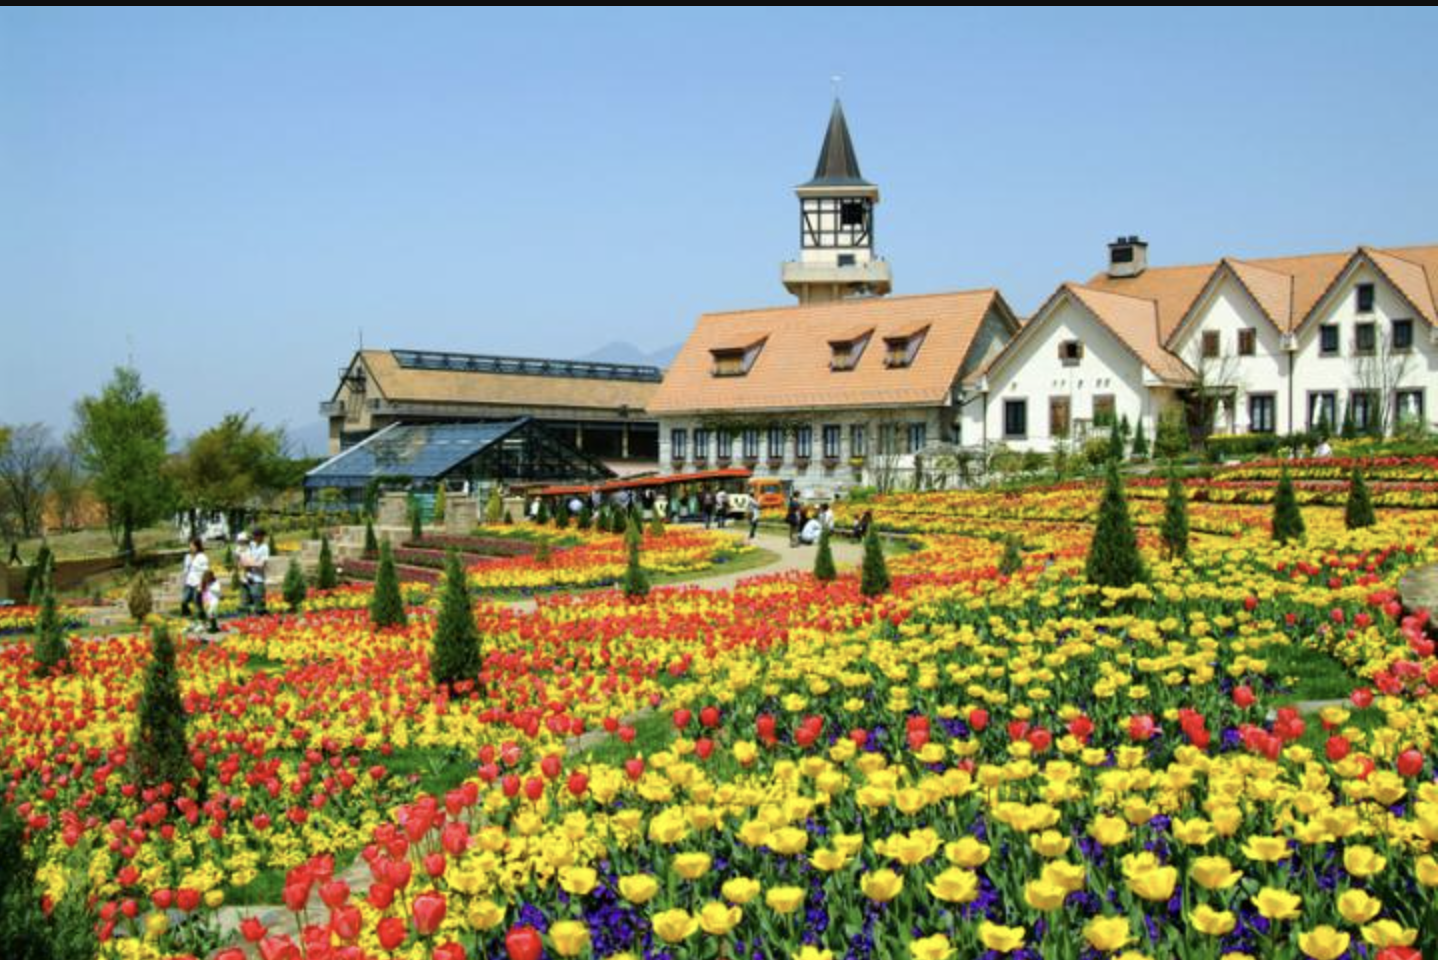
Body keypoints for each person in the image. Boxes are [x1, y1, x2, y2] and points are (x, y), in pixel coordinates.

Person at [180, 537, 208, 619]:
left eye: (192, 545)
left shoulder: (202, 557)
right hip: (188, 583)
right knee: (184, 600)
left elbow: (205, 572)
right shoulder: (187, 557)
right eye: (190, 545)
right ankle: (188, 614)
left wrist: (202, 584)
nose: (191, 547)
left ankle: (202, 617)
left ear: (197, 546)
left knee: (197, 602)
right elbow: (185, 570)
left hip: (197, 583)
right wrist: (184, 580)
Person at [243, 528, 270, 615]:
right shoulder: (252, 544)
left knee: (259, 603)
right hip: (248, 577)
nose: (254, 537)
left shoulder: (264, 547)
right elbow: (243, 544)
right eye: (254, 535)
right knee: (247, 603)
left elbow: (263, 565)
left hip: (258, 579)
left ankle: (264, 618)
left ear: (261, 537)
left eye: (256, 536)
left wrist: (250, 564)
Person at [200, 569, 222, 634]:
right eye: (205, 579)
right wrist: (204, 598)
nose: (207, 580)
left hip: (215, 600)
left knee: (211, 613)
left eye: (208, 578)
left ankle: (214, 627)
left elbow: (218, 590)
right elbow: (204, 592)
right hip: (208, 600)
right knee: (209, 613)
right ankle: (214, 626)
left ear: (211, 577)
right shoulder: (206, 583)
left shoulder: (215, 582)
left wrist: (210, 588)